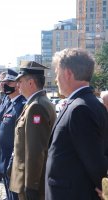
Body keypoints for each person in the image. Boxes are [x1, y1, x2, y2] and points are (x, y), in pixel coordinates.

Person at [46, 48, 108, 200]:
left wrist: (106, 190)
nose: (56, 79)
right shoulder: (88, 103)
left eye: (57, 73)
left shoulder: (80, 109)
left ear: (67, 73)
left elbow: (95, 160)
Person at [9, 61, 57, 200]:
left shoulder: (36, 106)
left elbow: (36, 150)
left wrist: (31, 186)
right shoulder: (37, 102)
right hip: (27, 179)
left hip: (29, 182)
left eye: (20, 81)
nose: (18, 85)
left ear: (30, 83)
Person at [0, 69, 26, 200]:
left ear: (17, 84)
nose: (5, 84)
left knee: (15, 194)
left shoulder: (22, 105)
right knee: (8, 191)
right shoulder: (10, 103)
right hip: (5, 155)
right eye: (3, 82)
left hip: (13, 158)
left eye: (9, 82)